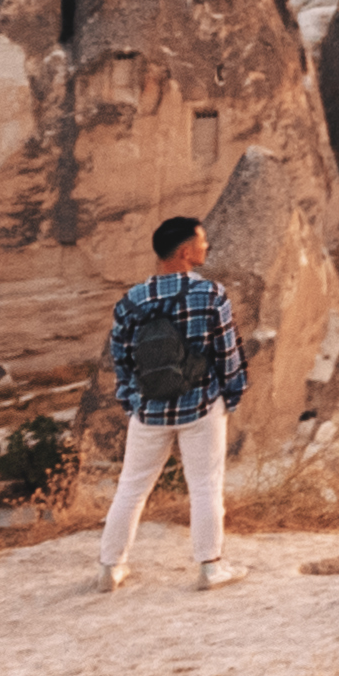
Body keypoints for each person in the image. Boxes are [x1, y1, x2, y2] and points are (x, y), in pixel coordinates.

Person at [99, 214, 240, 595]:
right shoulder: (210, 294)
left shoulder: (132, 300)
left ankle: (110, 567)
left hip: (149, 410)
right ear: (185, 252)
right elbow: (227, 353)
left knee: (131, 487)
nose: (206, 246)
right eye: (201, 241)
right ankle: (210, 567)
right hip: (201, 404)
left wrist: (133, 402)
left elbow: (121, 359)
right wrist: (230, 396)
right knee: (206, 486)